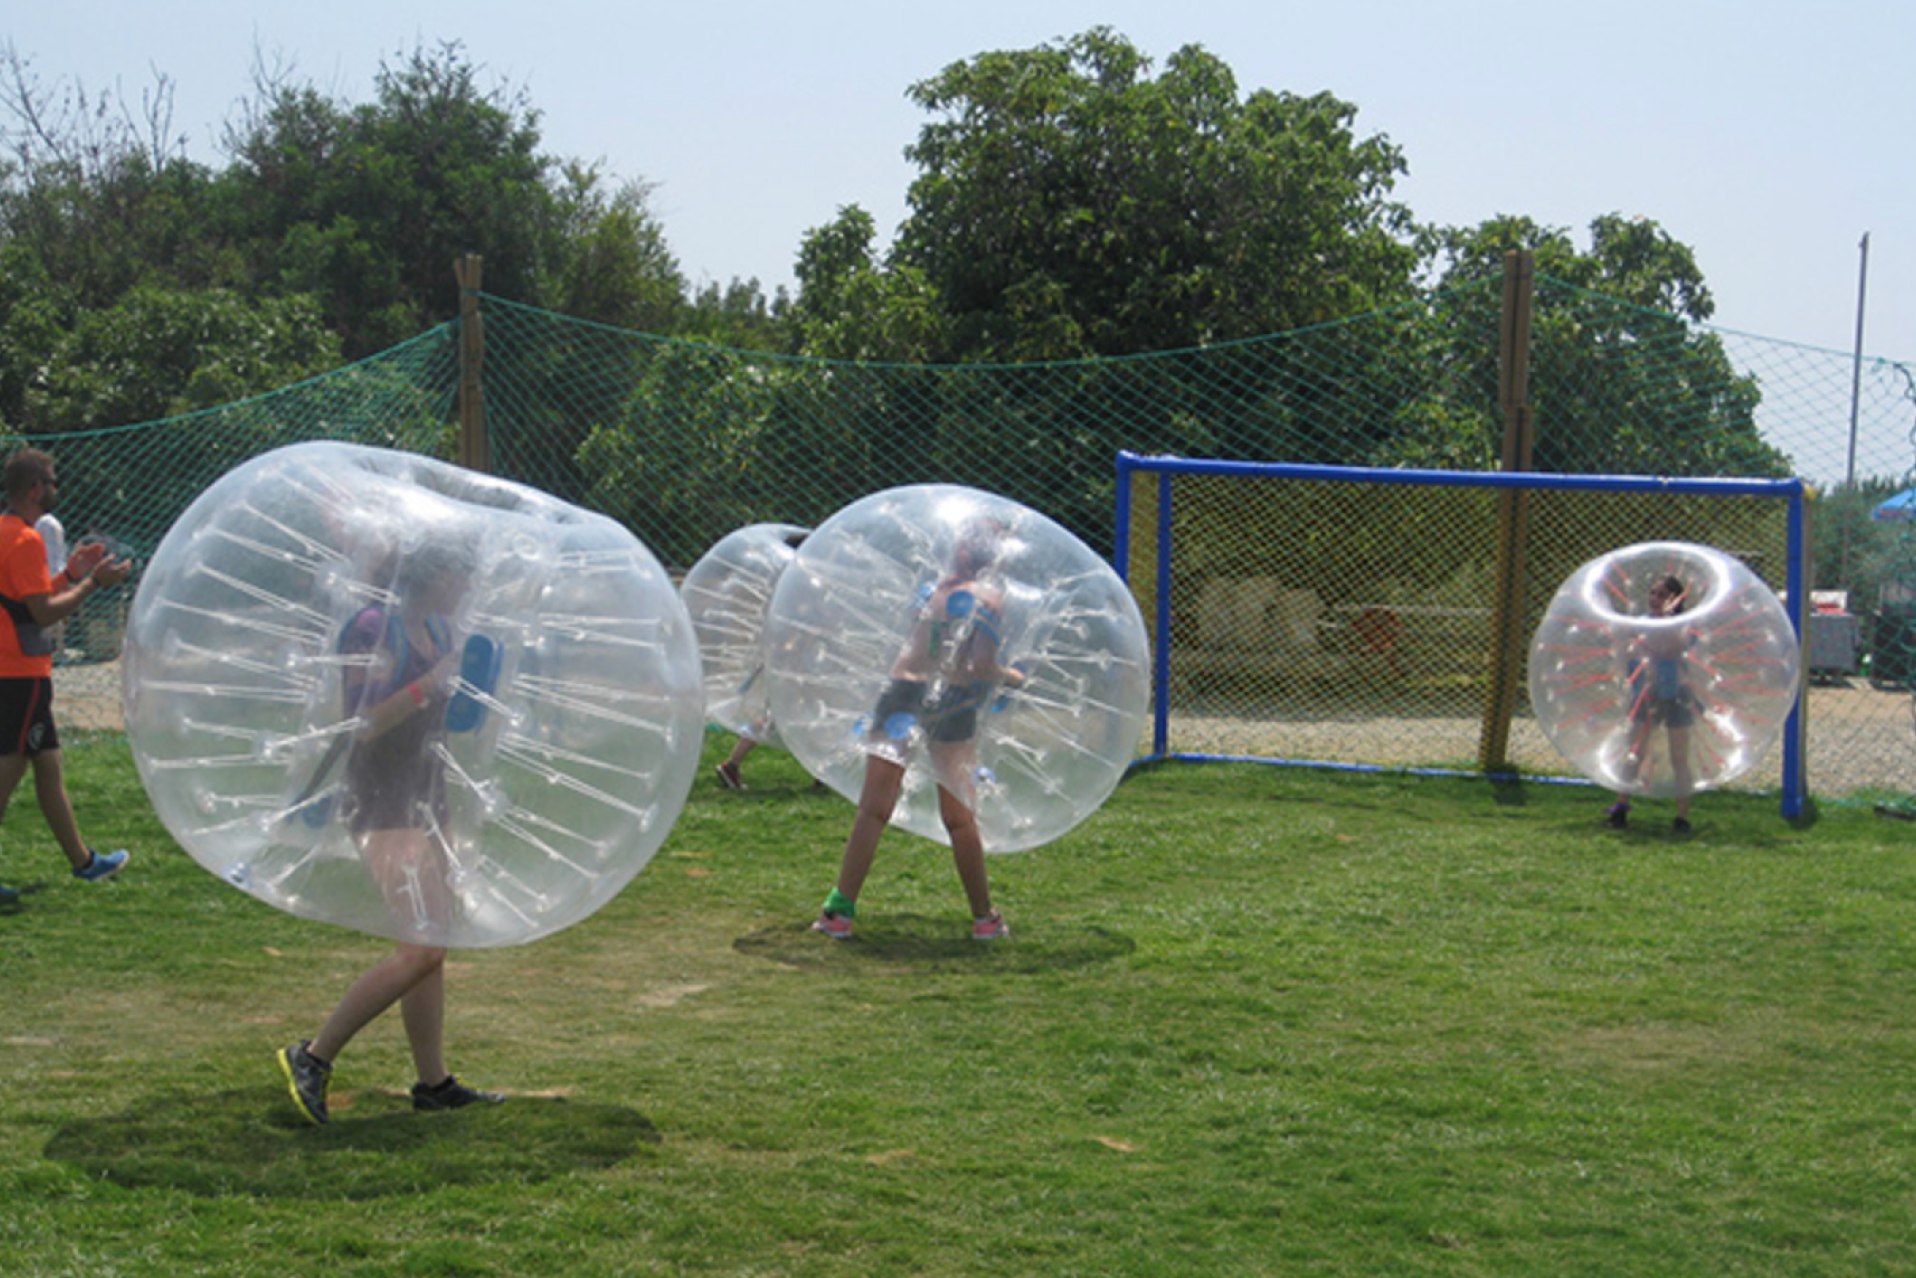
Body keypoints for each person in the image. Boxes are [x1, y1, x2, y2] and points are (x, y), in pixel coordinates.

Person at [277, 541, 503, 1124]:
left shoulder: (438, 627)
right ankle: (312, 1056)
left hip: (425, 801)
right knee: (422, 945)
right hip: (380, 805)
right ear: (433, 576)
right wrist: (432, 682)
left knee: (433, 947)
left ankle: (433, 1083)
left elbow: (444, 726)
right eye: (463, 572)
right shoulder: (374, 628)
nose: (469, 585)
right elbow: (366, 723)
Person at [813, 526, 1027, 942]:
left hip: (901, 694)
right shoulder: (989, 600)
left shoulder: (929, 591)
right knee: (960, 817)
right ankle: (984, 918)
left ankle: (839, 912)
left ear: (960, 552)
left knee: (874, 807)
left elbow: (914, 646)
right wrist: (1012, 676)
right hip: (952, 701)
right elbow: (977, 666)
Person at [0, 448, 133, 902]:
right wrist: (93, 583)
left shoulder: (8, 533)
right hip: (20, 672)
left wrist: (71, 574)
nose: (57, 487)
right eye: (52, 480)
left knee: (48, 765)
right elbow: (41, 614)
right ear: (36, 488)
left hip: (15, 670)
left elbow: (23, 600)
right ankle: (84, 863)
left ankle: (84, 863)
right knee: (11, 767)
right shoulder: (25, 540)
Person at [1605, 573, 1698, 834]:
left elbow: (1678, 648)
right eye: (1653, 593)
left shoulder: (1682, 624)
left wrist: (1668, 620)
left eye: (1663, 594)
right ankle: (1620, 810)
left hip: (1677, 695)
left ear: (1675, 600)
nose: (1655, 599)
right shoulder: (1641, 624)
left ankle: (1682, 819)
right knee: (1635, 753)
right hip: (1647, 693)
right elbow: (1632, 652)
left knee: (1679, 757)